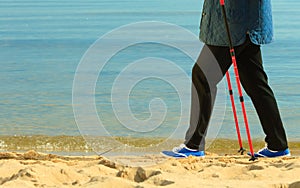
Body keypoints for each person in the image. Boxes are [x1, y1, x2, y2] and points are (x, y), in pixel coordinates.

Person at [162, 0, 290, 158]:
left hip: (235, 25)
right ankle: (278, 145)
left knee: (203, 76)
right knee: (256, 84)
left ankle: (193, 145)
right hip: (240, 25)